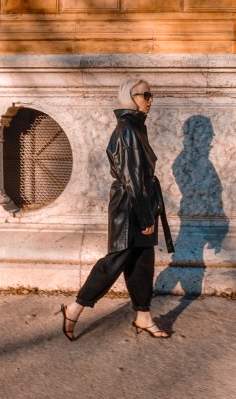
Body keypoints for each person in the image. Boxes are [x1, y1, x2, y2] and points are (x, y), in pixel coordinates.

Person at [58, 79, 174, 341]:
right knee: (117, 258)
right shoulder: (128, 130)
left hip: (139, 199)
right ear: (130, 98)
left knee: (142, 260)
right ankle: (75, 307)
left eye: (150, 94)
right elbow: (131, 177)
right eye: (145, 95)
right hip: (130, 204)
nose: (150, 100)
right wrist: (145, 216)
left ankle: (143, 315)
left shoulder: (136, 127)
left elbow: (138, 175)